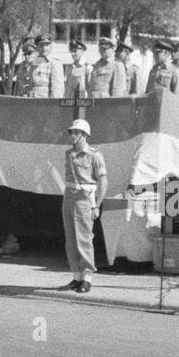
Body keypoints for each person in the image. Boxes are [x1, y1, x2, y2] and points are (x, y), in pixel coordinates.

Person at [59, 118, 106, 293]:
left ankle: (87, 278)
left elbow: (103, 181)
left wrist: (97, 205)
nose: (73, 135)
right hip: (69, 197)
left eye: (77, 132)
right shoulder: (68, 154)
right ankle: (76, 277)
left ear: (85, 135)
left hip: (84, 199)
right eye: (72, 132)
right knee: (70, 239)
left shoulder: (94, 155)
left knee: (84, 239)